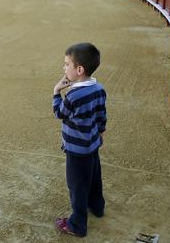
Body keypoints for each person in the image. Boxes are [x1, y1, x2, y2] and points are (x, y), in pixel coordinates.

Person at [53, 43, 107, 238]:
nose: (63, 68)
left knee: (77, 185)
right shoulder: (99, 88)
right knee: (93, 178)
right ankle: (97, 207)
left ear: (79, 70)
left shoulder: (73, 95)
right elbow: (102, 115)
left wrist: (56, 92)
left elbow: (60, 113)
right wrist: (101, 131)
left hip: (77, 150)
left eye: (66, 64)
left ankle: (77, 225)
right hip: (92, 144)